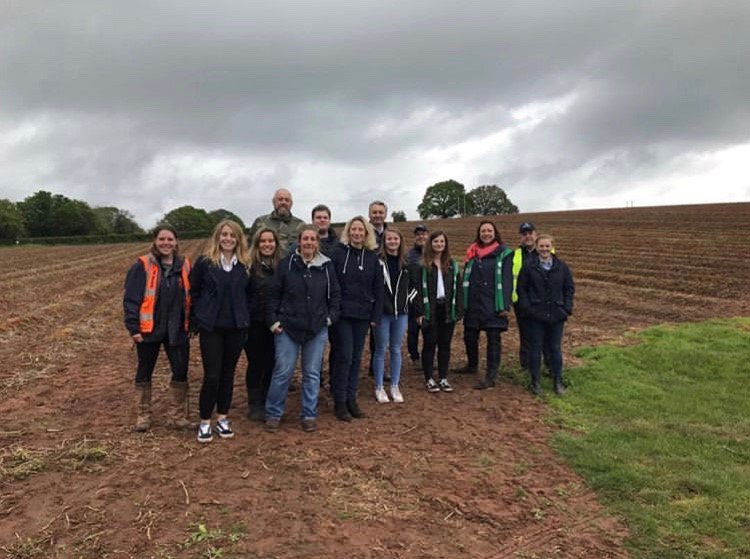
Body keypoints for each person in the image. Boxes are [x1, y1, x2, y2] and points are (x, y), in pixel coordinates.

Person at [264, 226, 341, 432]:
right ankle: (273, 413)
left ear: (317, 242)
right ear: (299, 242)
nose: (308, 242)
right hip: (288, 327)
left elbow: (335, 294)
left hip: (316, 328)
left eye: (312, 239)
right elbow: (273, 295)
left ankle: (308, 414)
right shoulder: (286, 264)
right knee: (283, 372)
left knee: (312, 374)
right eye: (305, 239)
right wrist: (273, 321)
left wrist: (330, 318)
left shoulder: (326, 266)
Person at [123, 224, 192, 432]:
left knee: (180, 371)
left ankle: (177, 416)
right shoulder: (143, 265)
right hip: (149, 329)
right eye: (162, 239)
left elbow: (193, 295)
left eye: (170, 239)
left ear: (176, 242)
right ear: (155, 241)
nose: (166, 243)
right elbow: (131, 299)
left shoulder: (185, 265)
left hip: (177, 328)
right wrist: (134, 328)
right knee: (145, 371)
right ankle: (143, 416)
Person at [190, 220, 253, 443]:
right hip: (211, 328)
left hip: (236, 328)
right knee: (212, 375)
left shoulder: (245, 265)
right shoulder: (205, 263)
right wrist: (201, 314)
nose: (228, 239)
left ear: (238, 239)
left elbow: (250, 294)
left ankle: (222, 418)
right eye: (224, 235)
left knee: (228, 375)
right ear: (218, 237)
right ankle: (205, 421)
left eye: (232, 235)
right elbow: (194, 290)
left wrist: (245, 315)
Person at [331, 216, 383, 421]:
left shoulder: (372, 258)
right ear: (348, 232)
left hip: (363, 315)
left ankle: (352, 398)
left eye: (361, 230)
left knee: (356, 358)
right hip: (342, 314)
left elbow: (378, 289)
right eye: (353, 229)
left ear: (366, 233)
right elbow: (332, 285)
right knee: (344, 356)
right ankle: (340, 401)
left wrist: (375, 315)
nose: (357, 233)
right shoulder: (338, 254)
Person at [458, 221, 514, 390]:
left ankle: (491, 375)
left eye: (489, 231)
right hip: (474, 302)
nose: (486, 234)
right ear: (479, 233)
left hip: (493, 303)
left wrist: (504, 304)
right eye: (483, 231)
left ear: (495, 233)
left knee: (493, 340)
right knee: (469, 336)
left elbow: (507, 280)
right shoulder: (473, 253)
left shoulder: (504, 253)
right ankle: (472, 365)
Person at [517, 234, 575, 395]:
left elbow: (569, 288)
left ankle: (557, 381)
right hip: (536, 315)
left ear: (552, 247)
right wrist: (528, 309)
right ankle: (535, 382)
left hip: (557, 315)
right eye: (541, 246)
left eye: (547, 246)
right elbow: (521, 289)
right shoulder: (528, 266)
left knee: (555, 348)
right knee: (535, 349)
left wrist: (566, 309)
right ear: (536, 247)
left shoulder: (561, 267)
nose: (544, 249)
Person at [411, 231, 463, 393]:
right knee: (430, 343)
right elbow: (416, 290)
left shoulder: (452, 264)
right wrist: (419, 312)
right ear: (430, 244)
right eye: (436, 242)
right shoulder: (421, 265)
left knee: (445, 344)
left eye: (442, 242)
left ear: (445, 244)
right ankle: (429, 379)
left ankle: (443, 378)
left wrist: (459, 310)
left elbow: (458, 288)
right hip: (429, 309)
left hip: (446, 309)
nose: (439, 244)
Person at [373, 227, 416, 403]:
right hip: (382, 314)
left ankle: (395, 385)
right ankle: (379, 386)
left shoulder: (407, 263)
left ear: (400, 241)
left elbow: (414, 287)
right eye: (389, 239)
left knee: (397, 349)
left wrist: (405, 302)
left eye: (395, 239)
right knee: (380, 350)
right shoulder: (377, 261)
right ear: (384, 241)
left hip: (401, 314)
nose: (392, 242)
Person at [244, 228, 281, 421]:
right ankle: (254, 403)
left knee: (272, 363)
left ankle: (268, 399)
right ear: (257, 244)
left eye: (271, 241)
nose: (267, 245)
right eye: (263, 241)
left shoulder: (281, 266)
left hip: (275, 323)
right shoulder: (249, 266)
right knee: (256, 363)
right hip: (254, 322)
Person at [247, 188, 305, 255]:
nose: (283, 202)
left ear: (291, 204)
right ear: (274, 202)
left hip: (291, 264)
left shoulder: (301, 225)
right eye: (280, 199)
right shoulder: (260, 222)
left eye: (287, 200)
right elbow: (249, 246)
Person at [406, 224, 428, 366]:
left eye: (424, 233)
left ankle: (428, 357)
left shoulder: (433, 253)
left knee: (429, 331)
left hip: (429, 298)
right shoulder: (409, 256)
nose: (421, 236)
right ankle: (415, 358)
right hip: (413, 297)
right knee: (413, 331)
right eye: (418, 234)